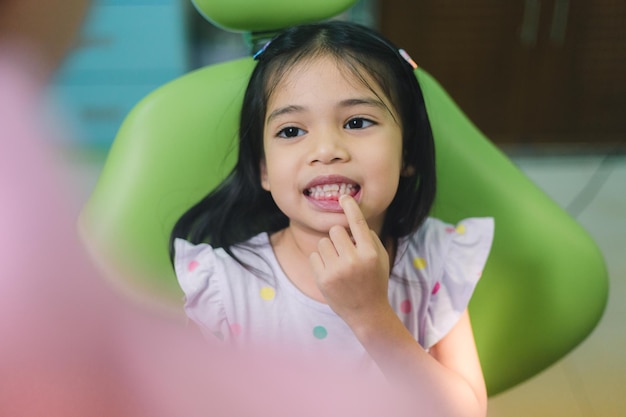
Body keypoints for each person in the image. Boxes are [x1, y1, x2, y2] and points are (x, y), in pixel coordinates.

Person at [170, 20, 493, 417]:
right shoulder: (223, 287)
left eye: (357, 122)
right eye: (291, 131)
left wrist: (371, 315)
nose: (326, 149)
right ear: (263, 170)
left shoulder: (435, 259)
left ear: (407, 153)